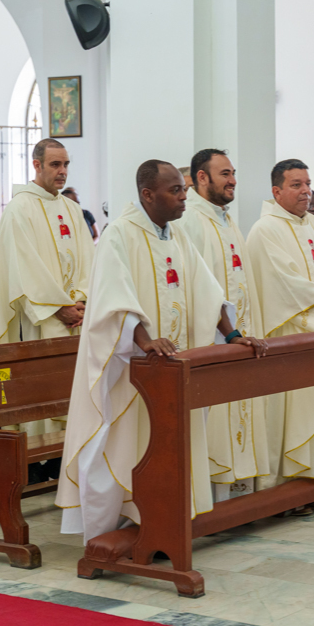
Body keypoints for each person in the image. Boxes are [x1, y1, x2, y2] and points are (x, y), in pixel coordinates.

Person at [56, 159, 265, 542]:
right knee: (126, 446)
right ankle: (115, 530)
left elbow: (208, 292)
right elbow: (111, 298)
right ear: (147, 195)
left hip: (173, 369)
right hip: (132, 372)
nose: (185, 197)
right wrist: (142, 340)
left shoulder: (176, 235)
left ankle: (162, 517)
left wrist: (233, 334)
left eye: (184, 189)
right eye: (176, 190)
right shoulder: (120, 234)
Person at [246, 159, 314, 501]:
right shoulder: (264, 230)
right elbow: (283, 282)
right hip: (293, 336)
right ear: (276, 191)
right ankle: (288, 486)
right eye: (296, 185)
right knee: (296, 408)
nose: (305, 191)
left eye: (307, 183)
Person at [172, 148, 269, 495]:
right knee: (214, 420)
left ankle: (237, 492)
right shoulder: (191, 221)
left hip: (237, 339)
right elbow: (196, 287)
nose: (233, 181)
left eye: (233, 173)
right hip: (213, 341)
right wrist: (227, 332)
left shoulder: (226, 218)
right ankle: (213, 495)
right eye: (225, 174)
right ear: (202, 177)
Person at [0, 138, 95, 442]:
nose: (62, 171)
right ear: (36, 165)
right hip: (40, 318)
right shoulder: (19, 209)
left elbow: (89, 258)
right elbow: (23, 268)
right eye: (55, 164)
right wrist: (57, 307)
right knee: (43, 385)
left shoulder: (72, 209)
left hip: (75, 317)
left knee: (73, 388)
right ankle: (40, 455)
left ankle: (69, 448)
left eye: (65, 165)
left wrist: (82, 301)